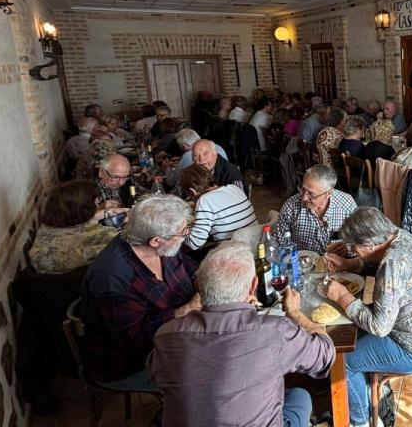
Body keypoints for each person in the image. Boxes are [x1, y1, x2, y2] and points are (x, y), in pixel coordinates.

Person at [149, 243, 333, 427]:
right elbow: (325, 355)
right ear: (253, 286)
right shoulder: (275, 332)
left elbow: (158, 372)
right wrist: (295, 313)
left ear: (198, 286)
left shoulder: (165, 336)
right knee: (300, 397)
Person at [320, 208, 412, 427]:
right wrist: (351, 264)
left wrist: (343, 297)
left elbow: (379, 327)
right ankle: (368, 389)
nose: (352, 250)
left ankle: (361, 421)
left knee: (342, 362)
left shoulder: (393, 265)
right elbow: (378, 262)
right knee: (350, 334)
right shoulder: (396, 235)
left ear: (369, 244)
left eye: (354, 247)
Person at [79, 194, 201, 384]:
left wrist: (203, 275)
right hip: (132, 359)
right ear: (155, 241)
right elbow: (135, 340)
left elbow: (184, 263)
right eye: (183, 232)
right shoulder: (114, 279)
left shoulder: (163, 247)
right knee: (211, 369)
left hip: (181, 329)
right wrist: (187, 310)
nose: (185, 236)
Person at [28, 180, 121, 275]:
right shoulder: (102, 236)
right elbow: (125, 244)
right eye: (96, 202)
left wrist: (104, 213)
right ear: (83, 210)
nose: (98, 205)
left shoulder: (48, 227)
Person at [274, 165, 358, 254]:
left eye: (311, 194)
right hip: (302, 262)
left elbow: (361, 241)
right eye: (302, 189)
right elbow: (279, 241)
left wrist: (349, 249)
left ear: (328, 193)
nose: (304, 198)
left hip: (339, 263)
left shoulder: (346, 205)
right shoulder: (291, 205)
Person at [178, 165, 257, 251]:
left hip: (234, 253)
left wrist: (181, 231)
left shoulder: (205, 200)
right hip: (255, 245)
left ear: (192, 191)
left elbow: (195, 243)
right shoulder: (234, 188)